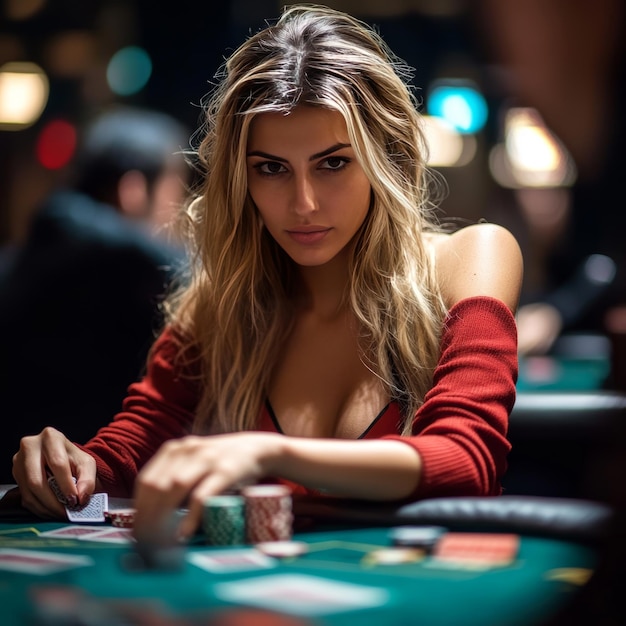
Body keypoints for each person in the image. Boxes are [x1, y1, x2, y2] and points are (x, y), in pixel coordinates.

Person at [12, 5, 523, 542]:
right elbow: (125, 454)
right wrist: (67, 465)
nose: (303, 204)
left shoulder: (470, 257)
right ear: (242, 178)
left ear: (385, 157)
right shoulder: (220, 303)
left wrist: (269, 451)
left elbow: (467, 460)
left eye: (332, 163)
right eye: (272, 168)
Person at [0, 105, 190, 482]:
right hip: (77, 487)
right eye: (176, 194)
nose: (180, 213)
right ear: (132, 190)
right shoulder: (139, 269)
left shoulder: (21, 260)